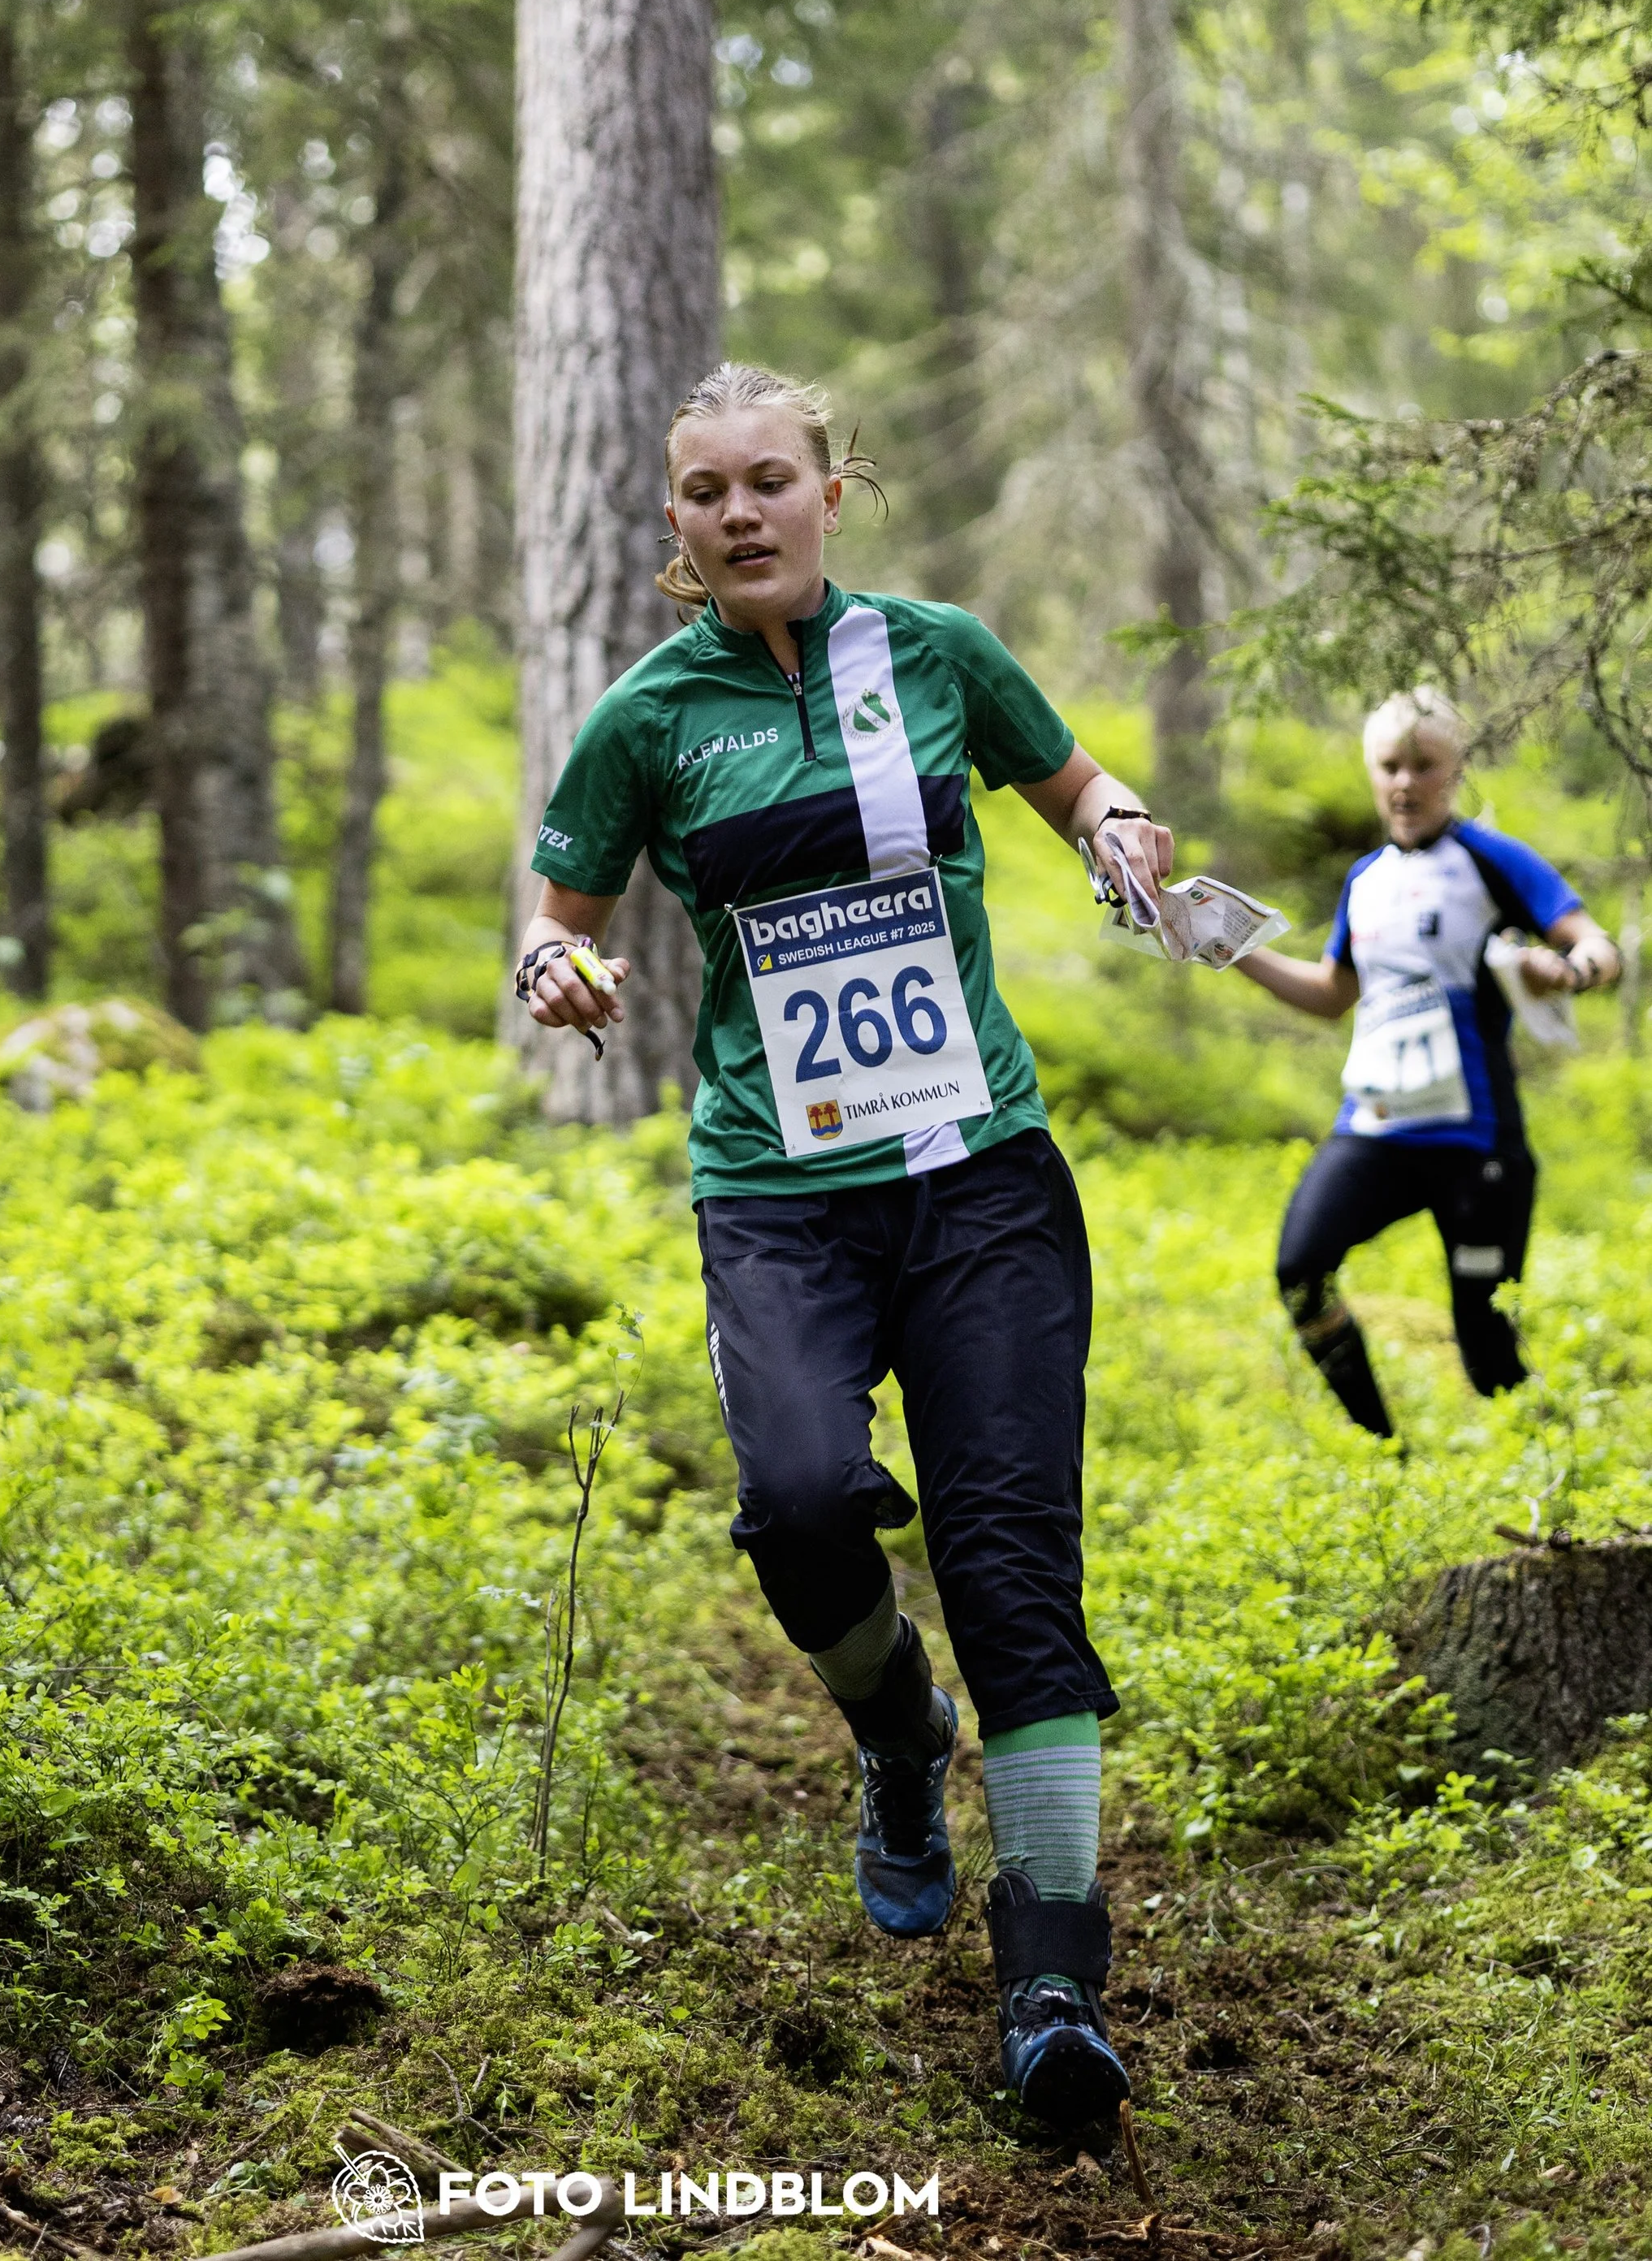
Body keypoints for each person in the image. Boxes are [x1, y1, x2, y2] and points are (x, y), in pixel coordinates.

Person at [514, 361, 1168, 2131]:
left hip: (981, 1179)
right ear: (676, 525)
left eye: (770, 480)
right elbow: (549, 925)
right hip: (780, 1193)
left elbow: (1084, 785)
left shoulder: (938, 650)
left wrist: (1117, 835)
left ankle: (1049, 1975)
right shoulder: (646, 717)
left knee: (1015, 1565)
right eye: (705, 490)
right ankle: (895, 1732)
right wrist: (554, 971)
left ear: (828, 488)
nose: (741, 511)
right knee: (800, 1503)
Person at [1233, 686, 1619, 1442]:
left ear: (1455, 769)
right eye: (1389, 766)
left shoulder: (1490, 860)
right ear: (1373, 773)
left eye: (1424, 765)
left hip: (1476, 1143)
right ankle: (1386, 1453)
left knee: (1487, 1353)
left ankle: (1573, 1493)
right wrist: (1233, 950)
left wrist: (1564, 970)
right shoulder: (1366, 880)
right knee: (1300, 1272)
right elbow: (1330, 994)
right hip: (1375, 1129)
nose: (1405, 782)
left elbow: (1598, 947)